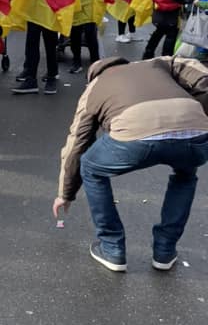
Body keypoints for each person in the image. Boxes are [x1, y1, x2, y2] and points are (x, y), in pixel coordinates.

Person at [54, 55, 208, 272]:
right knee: (185, 175)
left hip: (135, 136)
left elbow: (77, 142)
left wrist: (65, 193)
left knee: (90, 167)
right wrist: (198, 114)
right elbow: (201, 77)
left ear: (93, 75)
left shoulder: (94, 87)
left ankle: (112, 247)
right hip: (194, 131)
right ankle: (165, 250)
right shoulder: (157, 63)